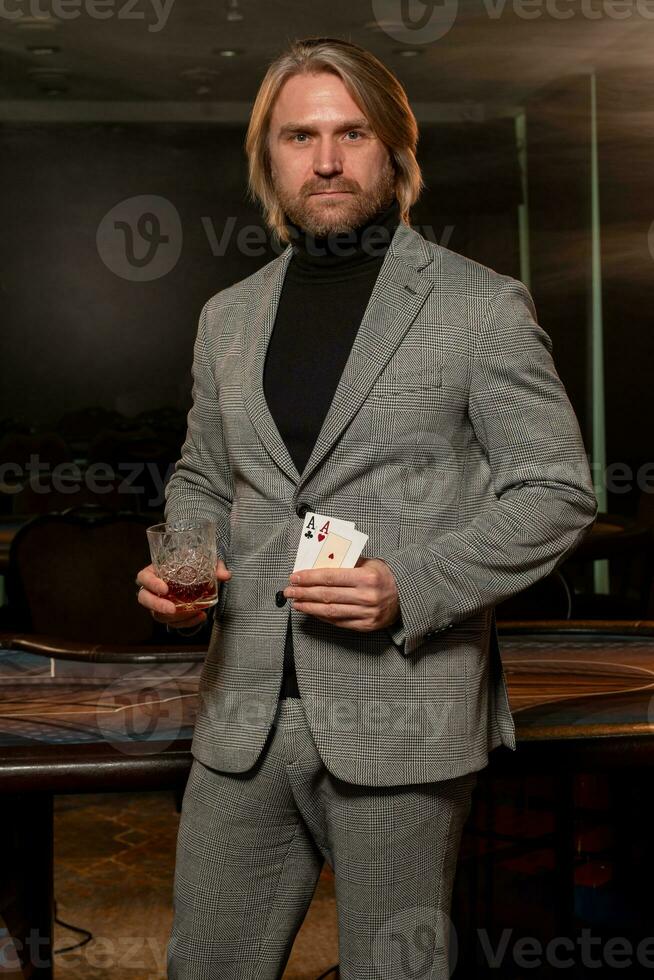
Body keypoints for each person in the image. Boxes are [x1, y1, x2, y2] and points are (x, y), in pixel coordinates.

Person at [135, 36, 597, 980]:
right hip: (243, 714)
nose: (329, 159)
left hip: (406, 710)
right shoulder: (228, 316)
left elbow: (556, 490)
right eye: (301, 136)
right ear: (271, 157)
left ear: (395, 150)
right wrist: (185, 566)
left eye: (352, 133)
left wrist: (414, 585)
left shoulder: (480, 307)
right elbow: (202, 477)